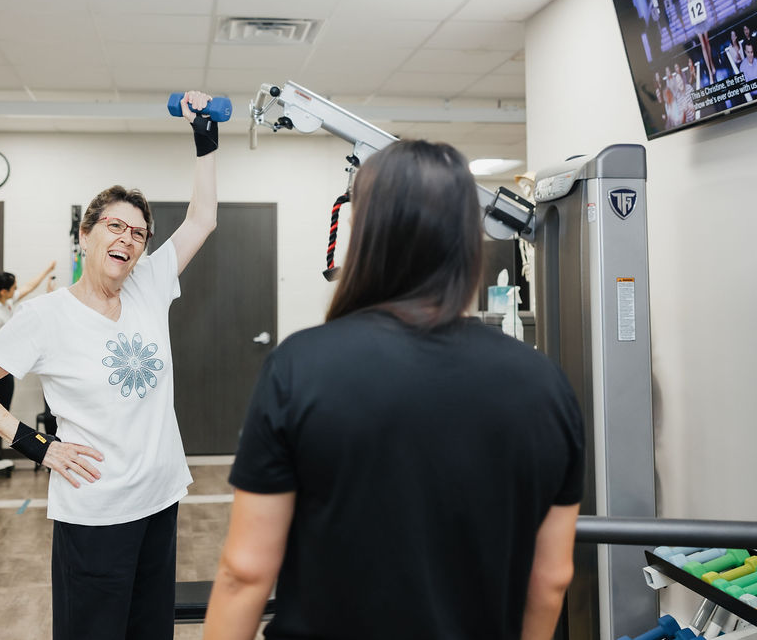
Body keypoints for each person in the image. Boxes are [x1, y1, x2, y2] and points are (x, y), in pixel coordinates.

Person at [203, 140, 584, 640]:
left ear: (365, 236)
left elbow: (245, 573)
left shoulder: (299, 367)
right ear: (466, 239)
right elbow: (551, 579)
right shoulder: (545, 385)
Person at [0, 90, 218, 640]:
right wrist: (38, 446)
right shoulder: (44, 316)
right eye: (116, 227)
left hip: (160, 498)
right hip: (95, 511)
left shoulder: (147, 285)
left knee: (151, 631)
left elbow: (202, 220)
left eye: (139, 233)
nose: (129, 239)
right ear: (86, 234)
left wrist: (204, 136)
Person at [0, 260, 56, 464]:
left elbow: (29, 286)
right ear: (3, 291)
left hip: (6, 372)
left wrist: (47, 269)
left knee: (2, 411)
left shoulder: (6, 302)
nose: (16, 291)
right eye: (13, 288)